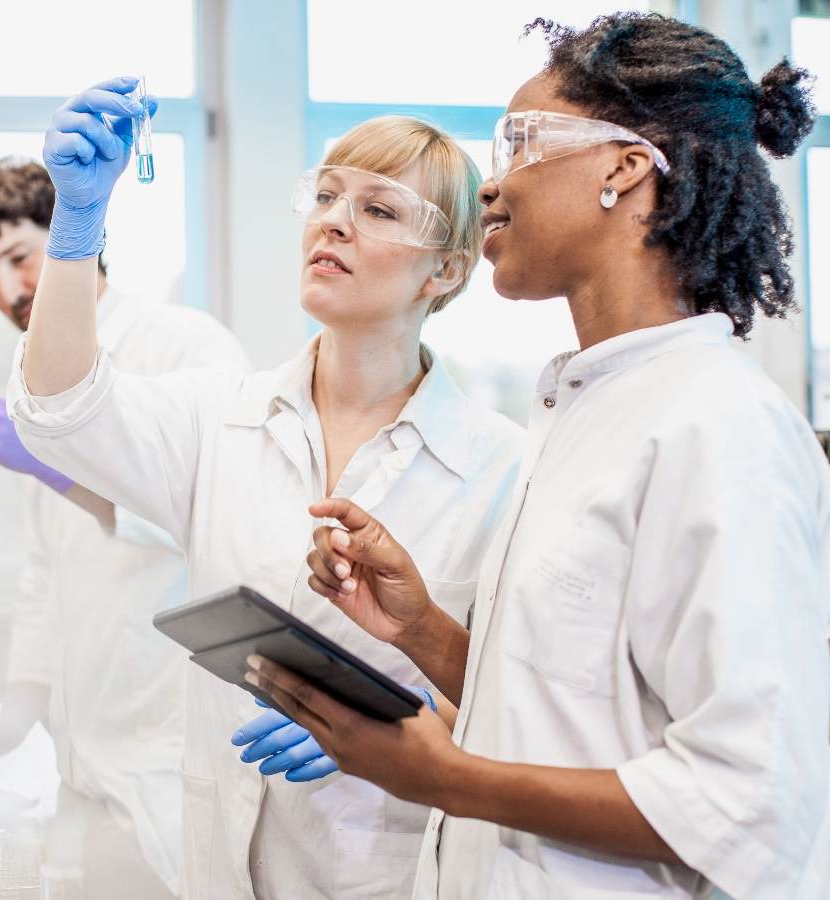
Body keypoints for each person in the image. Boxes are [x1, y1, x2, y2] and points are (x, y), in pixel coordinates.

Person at [252, 12, 830, 899]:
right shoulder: (586, 406)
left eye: (519, 142)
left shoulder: (720, 426)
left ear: (625, 167)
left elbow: (753, 802)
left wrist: (444, 779)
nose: (491, 184)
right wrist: (424, 633)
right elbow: (575, 708)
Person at [5, 76, 526, 899]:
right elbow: (62, 414)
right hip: (217, 867)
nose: (333, 220)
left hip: (387, 871)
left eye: (379, 209)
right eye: (326, 196)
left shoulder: (505, 470)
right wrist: (77, 229)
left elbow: (525, 703)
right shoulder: (220, 417)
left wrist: (400, 720)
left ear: (447, 270)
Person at [0, 158, 249, 898]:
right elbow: (46, 566)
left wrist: (48, 462)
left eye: (18, 256)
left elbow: (222, 521)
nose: (9, 289)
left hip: (173, 748)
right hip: (85, 758)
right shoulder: (27, 374)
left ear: (77, 236)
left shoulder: (185, 345)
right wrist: (15, 714)